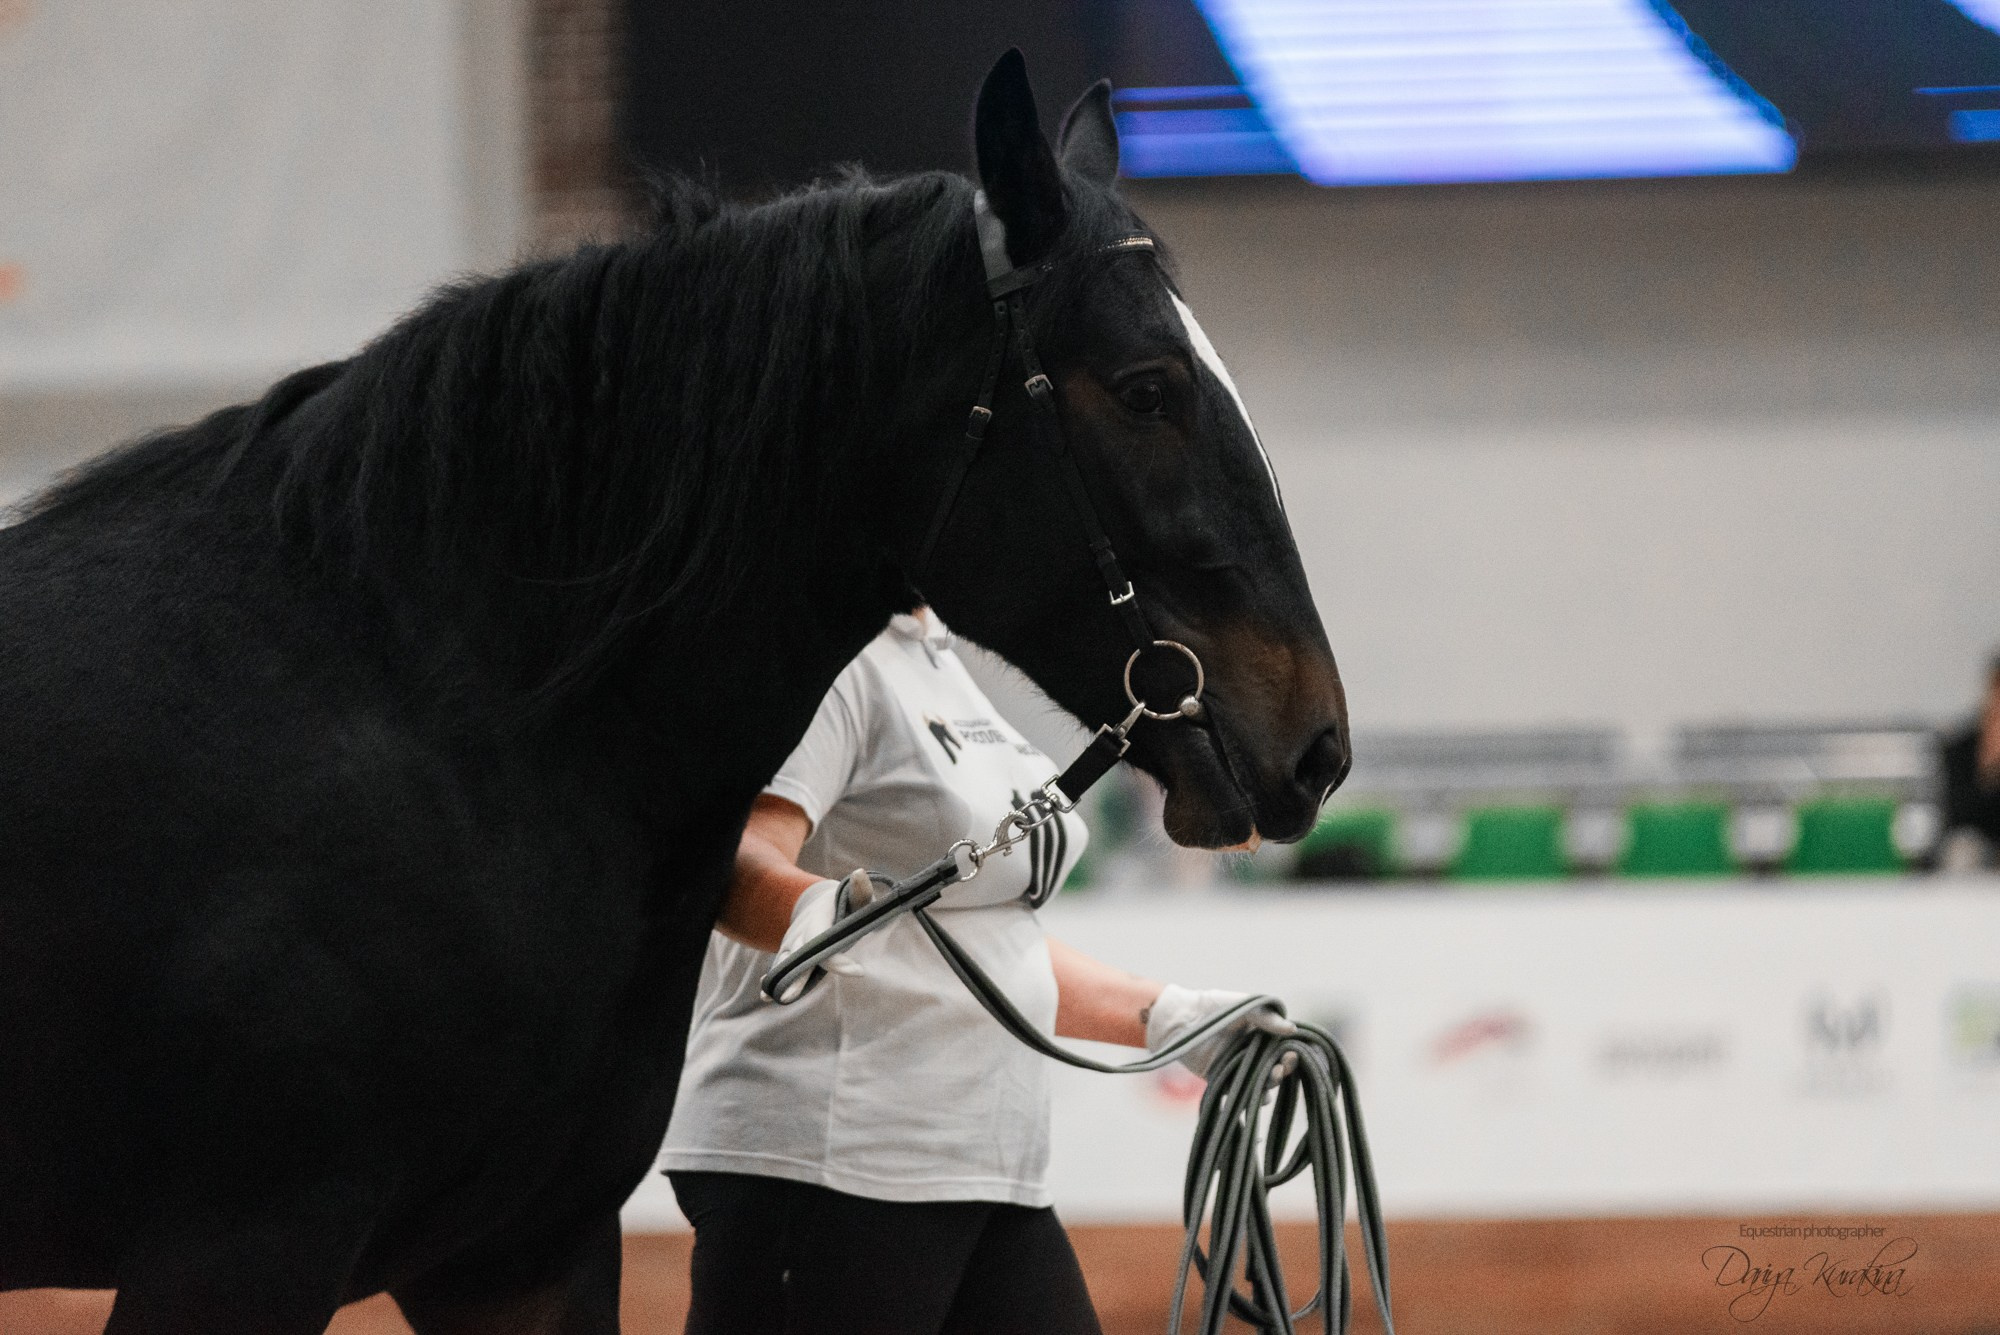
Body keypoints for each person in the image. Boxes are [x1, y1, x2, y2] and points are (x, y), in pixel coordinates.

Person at [659, 608, 1291, 1335]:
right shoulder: (826, 667)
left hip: (984, 1165)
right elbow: (733, 859)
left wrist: (1169, 1015)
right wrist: (817, 908)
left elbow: (982, 941)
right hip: (832, 1159)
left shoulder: (938, 661)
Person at [1939, 652, 2000, 872]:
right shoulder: (1963, 747)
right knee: (1963, 849)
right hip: (1978, 841)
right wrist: (1991, 767)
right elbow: (1958, 812)